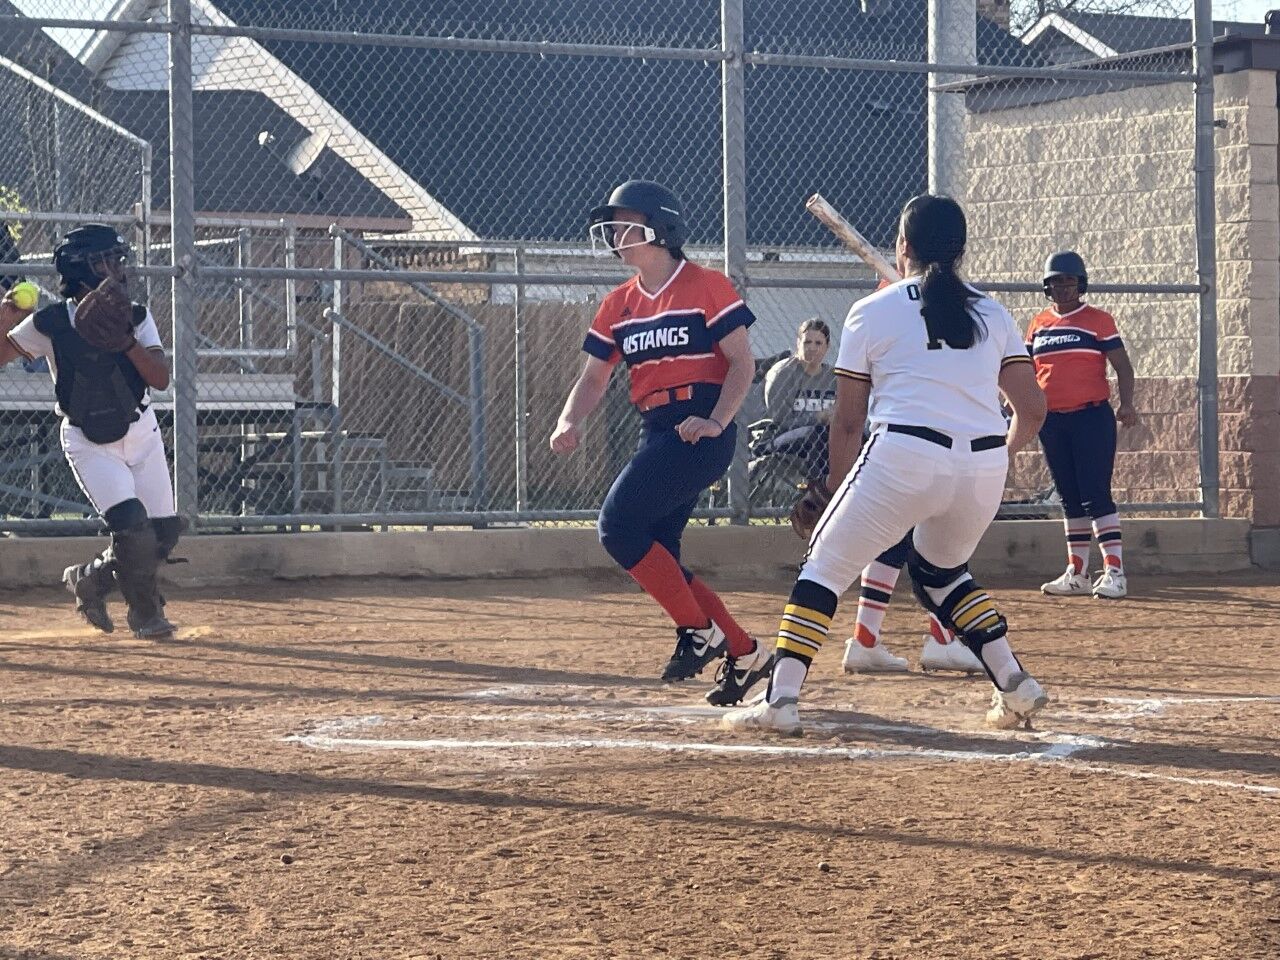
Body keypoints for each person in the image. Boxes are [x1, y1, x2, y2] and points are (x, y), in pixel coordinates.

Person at [721, 194, 1049, 735]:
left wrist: (830, 487)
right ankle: (1014, 684)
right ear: (960, 251)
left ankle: (780, 701)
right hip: (983, 465)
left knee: (823, 567)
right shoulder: (992, 312)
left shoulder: (872, 311)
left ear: (903, 248)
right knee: (941, 576)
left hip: (904, 454)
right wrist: (997, 456)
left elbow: (848, 423)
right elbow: (1032, 409)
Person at [550, 180, 771, 706]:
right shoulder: (619, 303)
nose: (615, 233)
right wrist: (568, 420)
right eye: (613, 224)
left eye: (626, 223)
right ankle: (743, 651)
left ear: (661, 227)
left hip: (700, 427)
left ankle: (702, 633)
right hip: (658, 428)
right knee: (662, 554)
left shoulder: (707, 285)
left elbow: (743, 364)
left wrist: (717, 420)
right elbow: (594, 376)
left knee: (617, 525)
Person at [0, 224, 183, 640]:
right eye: (107, 261)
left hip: (142, 433)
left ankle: (91, 579)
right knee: (132, 529)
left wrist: (126, 343)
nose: (118, 269)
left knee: (162, 535)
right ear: (82, 269)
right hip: (89, 441)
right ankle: (146, 616)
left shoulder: (135, 316)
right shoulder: (50, 323)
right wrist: (6, 318)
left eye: (119, 260)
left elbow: (159, 378)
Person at [1028, 251, 1136, 600]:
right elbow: (1028, 370)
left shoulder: (1098, 320)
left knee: (1095, 494)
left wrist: (1128, 403)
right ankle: (1077, 572)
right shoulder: (1038, 324)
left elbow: (1123, 365)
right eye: (1056, 281)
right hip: (1052, 421)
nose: (1063, 288)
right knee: (1069, 497)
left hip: (1091, 417)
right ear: (1047, 286)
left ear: (1081, 284)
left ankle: (1115, 572)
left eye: (1069, 281)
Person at [759, 317, 836, 478]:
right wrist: (817, 418)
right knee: (817, 433)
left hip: (827, 436)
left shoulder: (833, 378)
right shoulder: (783, 373)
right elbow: (780, 421)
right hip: (779, 437)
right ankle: (821, 489)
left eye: (818, 343)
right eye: (807, 342)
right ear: (798, 343)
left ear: (827, 347)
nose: (812, 348)